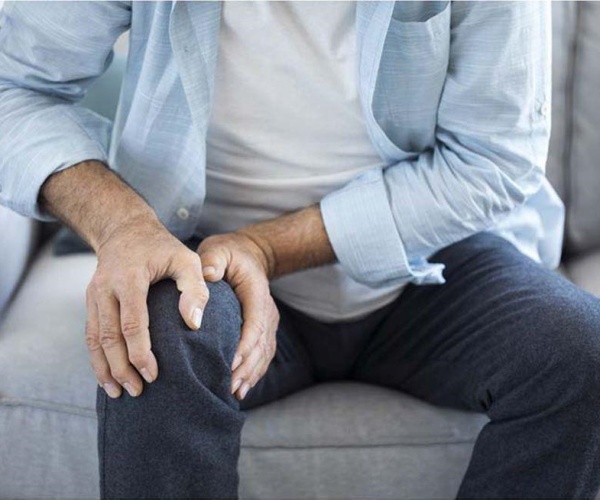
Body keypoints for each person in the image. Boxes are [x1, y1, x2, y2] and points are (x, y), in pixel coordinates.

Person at [1, 1, 599, 498]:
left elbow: (493, 159)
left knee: (581, 351)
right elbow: (14, 88)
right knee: (157, 341)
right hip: (202, 254)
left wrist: (264, 247)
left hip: (433, 261)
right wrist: (123, 226)